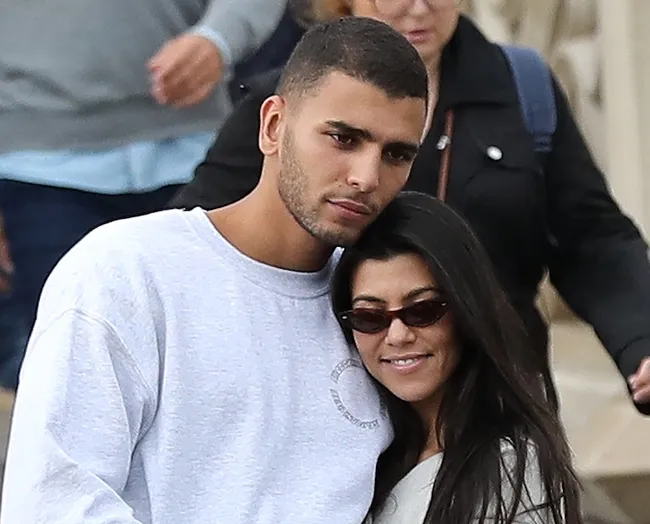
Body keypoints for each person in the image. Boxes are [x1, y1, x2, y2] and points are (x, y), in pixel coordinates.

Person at [0, 18, 429, 524]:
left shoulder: (387, 310)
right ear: (273, 125)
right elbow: (50, 523)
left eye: (396, 154)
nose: (367, 175)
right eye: (343, 138)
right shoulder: (127, 270)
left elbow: (460, 502)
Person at [170, 0, 650, 415]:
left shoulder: (522, 87)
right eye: (344, 139)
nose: (419, 9)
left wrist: (641, 342)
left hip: (498, 405)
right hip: (344, 409)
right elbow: (203, 239)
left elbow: (592, 239)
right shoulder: (299, 104)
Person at [328, 191, 599, 524]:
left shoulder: (508, 464)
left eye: (423, 310)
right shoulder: (377, 448)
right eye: (370, 317)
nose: (397, 334)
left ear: (465, 310)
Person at [0, 0, 286, 390]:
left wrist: (219, 39)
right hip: (36, 165)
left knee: (221, 365)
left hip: (195, 149)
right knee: (72, 375)